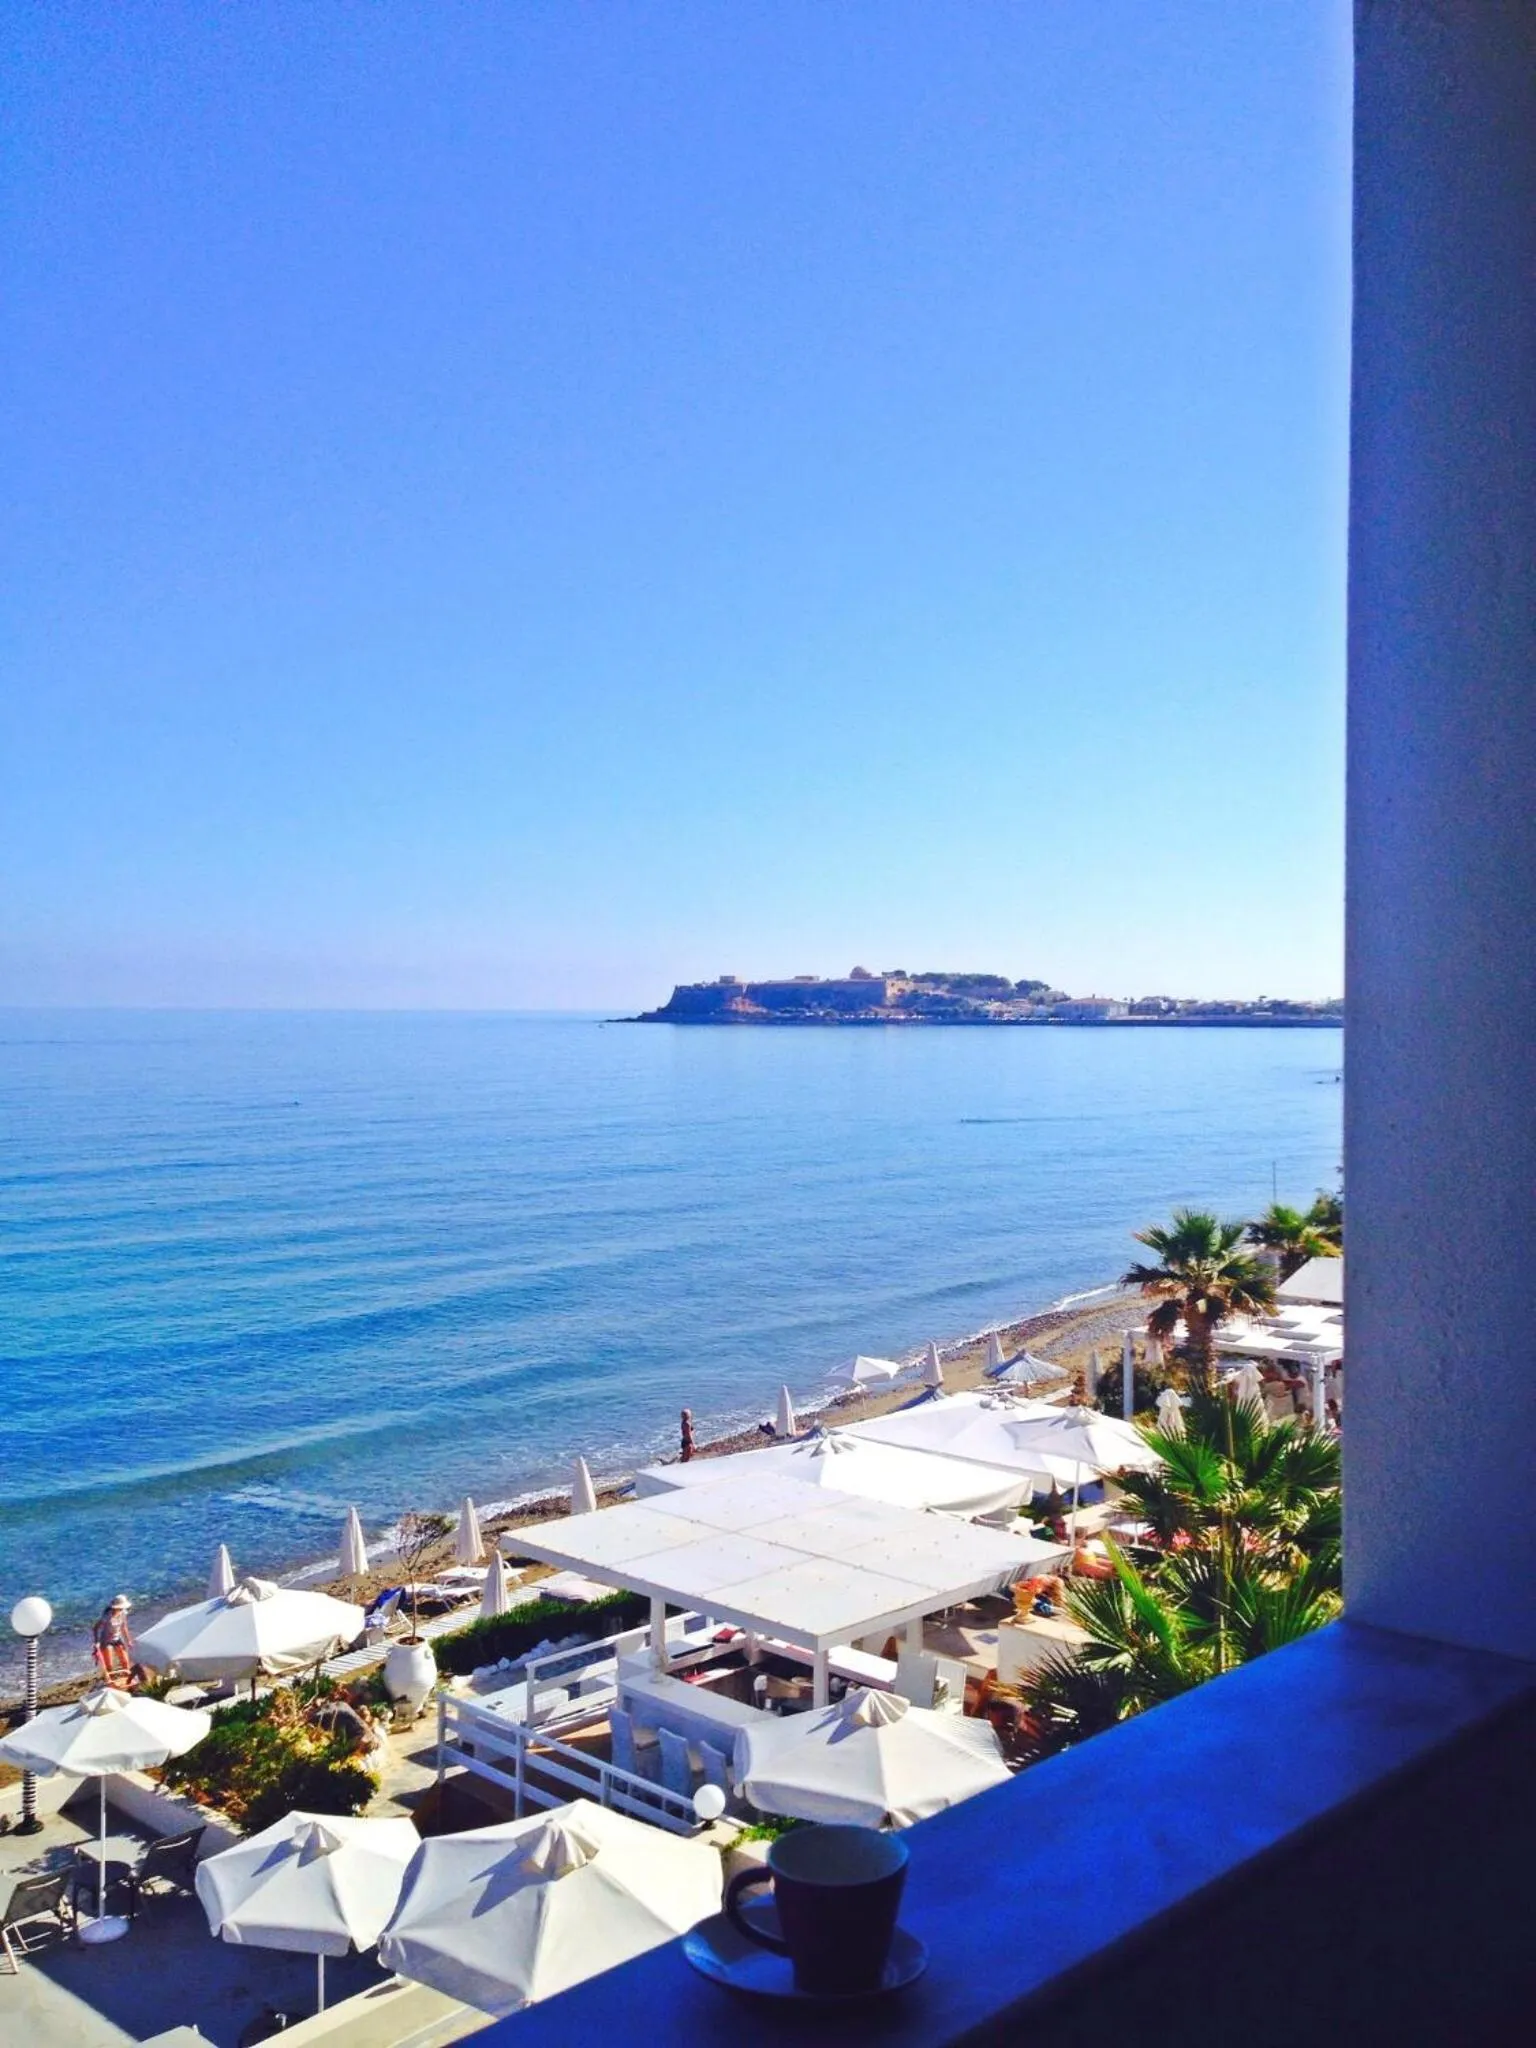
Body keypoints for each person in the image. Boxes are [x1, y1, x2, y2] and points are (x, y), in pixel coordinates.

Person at [92, 1595, 139, 1690]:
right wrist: (96, 1641)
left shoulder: (123, 1613)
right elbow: (95, 1628)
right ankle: (110, 1684)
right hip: (106, 1640)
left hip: (117, 1639)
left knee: (125, 1662)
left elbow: (124, 1627)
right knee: (109, 1665)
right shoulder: (107, 1616)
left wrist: (128, 1640)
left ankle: (129, 1682)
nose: (123, 1608)